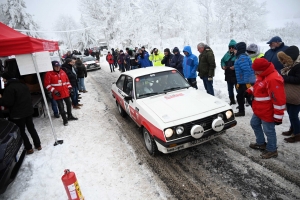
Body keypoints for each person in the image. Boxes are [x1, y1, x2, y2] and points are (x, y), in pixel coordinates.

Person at [245, 58, 286, 159]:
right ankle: (261, 143)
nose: (255, 72)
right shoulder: (262, 75)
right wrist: (249, 91)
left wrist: (278, 116)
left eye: (256, 70)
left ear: (262, 69)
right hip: (259, 109)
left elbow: (279, 100)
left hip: (267, 111)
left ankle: (272, 150)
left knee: (269, 130)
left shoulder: (273, 79)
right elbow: (258, 86)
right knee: (254, 123)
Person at [0, 71, 41, 154]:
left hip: (17, 114)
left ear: (7, 79)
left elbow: (8, 102)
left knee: (21, 131)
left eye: (4, 78)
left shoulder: (9, 88)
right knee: (31, 128)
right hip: (28, 111)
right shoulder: (23, 85)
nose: (3, 80)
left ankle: (29, 148)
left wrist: (1, 99)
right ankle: (38, 145)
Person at [44, 61, 78, 126]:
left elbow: (67, 81)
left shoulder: (63, 72)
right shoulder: (49, 73)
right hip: (57, 93)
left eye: (58, 66)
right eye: (56, 66)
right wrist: (54, 91)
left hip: (65, 92)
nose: (57, 67)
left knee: (69, 104)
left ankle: (70, 116)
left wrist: (70, 88)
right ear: (53, 67)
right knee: (61, 107)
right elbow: (47, 84)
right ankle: (65, 120)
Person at [278, 46, 300, 143]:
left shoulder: (298, 66)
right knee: (291, 114)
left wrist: (284, 78)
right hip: (291, 95)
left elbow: (298, 79)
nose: (283, 61)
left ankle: (298, 134)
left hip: (296, 95)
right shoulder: (292, 65)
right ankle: (293, 129)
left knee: (293, 115)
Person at [233, 42, 256, 117]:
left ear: (239, 49)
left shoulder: (242, 57)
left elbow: (247, 70)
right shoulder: (240, 57)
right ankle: (241, 111)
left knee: (249, 98)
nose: (234, 50)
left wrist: (247, 83)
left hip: (246, 82)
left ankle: (258, 114)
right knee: (239, 96)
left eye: (235, 49)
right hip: (242, 81)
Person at [221, 39, 237, 105]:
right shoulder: (227, 54)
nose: (231, 49)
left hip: (236, 75)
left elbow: (240, 63)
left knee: (238, 89)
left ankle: (241, 101)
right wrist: (223, 66)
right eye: (230, 47)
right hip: (228, 74)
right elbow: (222, 61)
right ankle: (232, 100)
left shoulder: (238, 54)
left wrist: (235, 67)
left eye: (232, 47)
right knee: (229, 89)